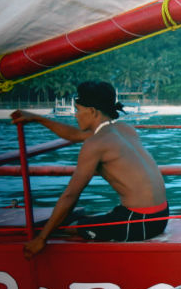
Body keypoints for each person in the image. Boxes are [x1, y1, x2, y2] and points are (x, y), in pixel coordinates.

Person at [12, 81, 168, 258]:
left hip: (140, 222)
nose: (76, 115)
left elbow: (71, 195)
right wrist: (37, 118)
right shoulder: (124, 129)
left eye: (78, 110)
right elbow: (75, 135)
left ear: (92, 111)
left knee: (70, 228)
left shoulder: (95, 144)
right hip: (161, 216)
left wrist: (41, 238)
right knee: (76, 220)